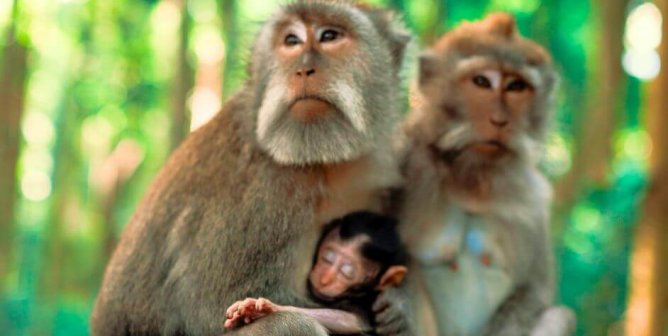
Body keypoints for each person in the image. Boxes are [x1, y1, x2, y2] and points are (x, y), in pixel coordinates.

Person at [224, 212, 408, 335]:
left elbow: (353, 322)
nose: (325, 277)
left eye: (347, 271)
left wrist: (279, 310)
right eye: (327, 257)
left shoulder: (374, 305)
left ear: (388, 279)